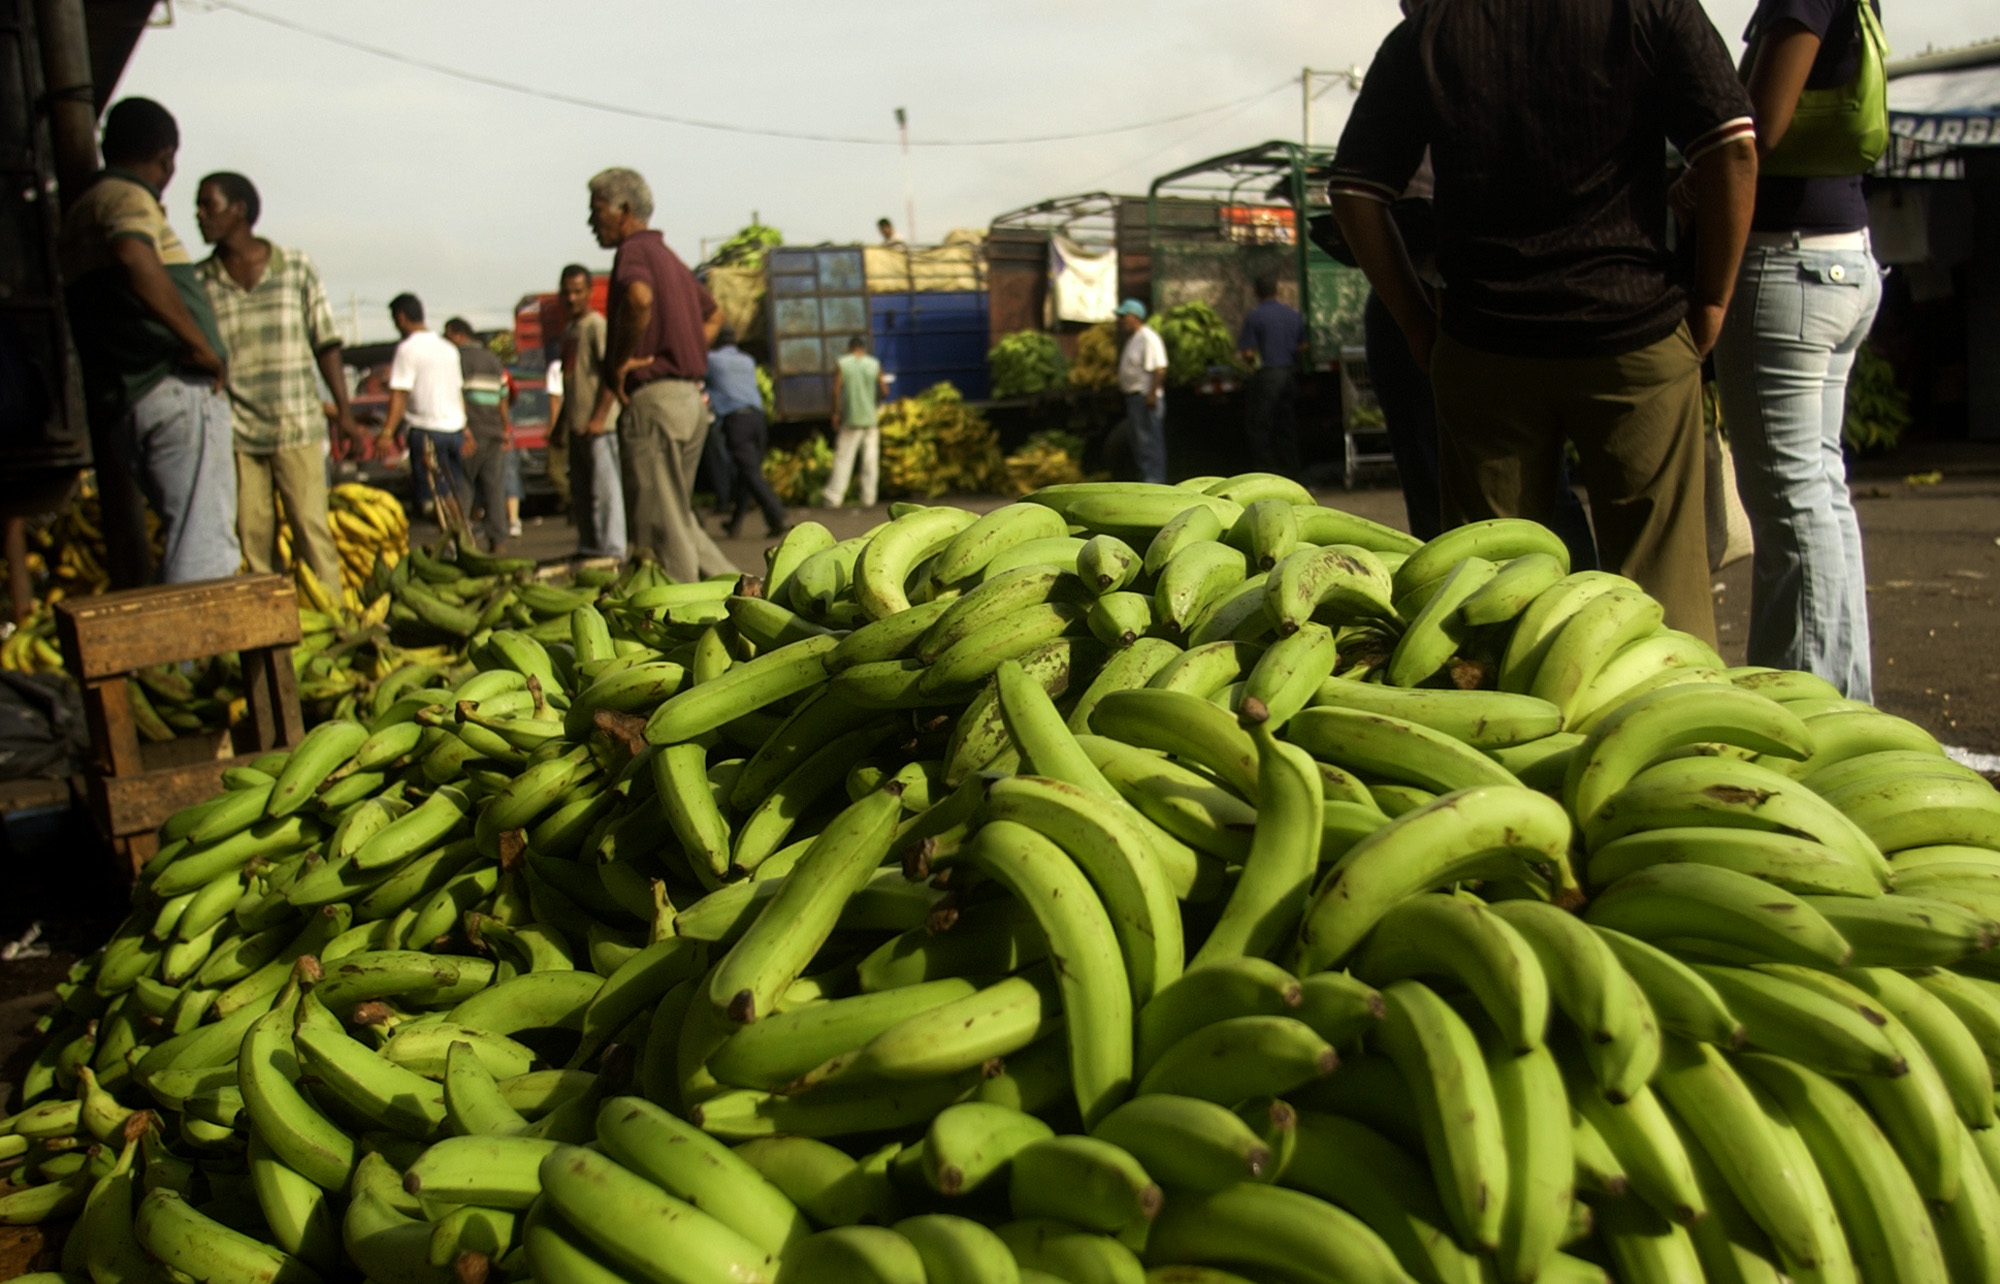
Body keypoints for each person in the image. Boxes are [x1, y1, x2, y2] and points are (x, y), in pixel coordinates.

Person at [1328, 0, 1759, 641]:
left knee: (1489, 595)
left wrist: (1419, 323)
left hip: (1485, 346)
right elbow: (1735, 150)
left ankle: (1501, 728)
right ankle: (1668, 725)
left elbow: (1355, 192)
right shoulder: (1651, 9)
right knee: (1661, 592)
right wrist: (1713, 298)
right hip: (1633, 332)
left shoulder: (1430, 31)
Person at [1713, 0, 1887, 700]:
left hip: (1788, 266)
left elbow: (1758, 130)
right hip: (1842, 259)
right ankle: (1845, 700)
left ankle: (1803, 711)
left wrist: (1696, 184)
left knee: (1789, 502)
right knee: (1818, 493)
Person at [58, 97, 239, 585]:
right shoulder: (125, 197)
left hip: (130, 395)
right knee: (204, 546)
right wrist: (198, 344)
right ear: (166, 155)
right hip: (169, 387)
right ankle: (203, 658)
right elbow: (133, 254)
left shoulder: (78, 211)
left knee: (186, 534)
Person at [192, 170, 352, 594]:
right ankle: (271, 637)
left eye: (209, 205)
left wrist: (346, 413)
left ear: (240, 210)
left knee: (311, 531)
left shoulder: (294, 266)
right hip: (239, 435)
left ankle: (334, 622)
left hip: (296, 424)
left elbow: (327, 343)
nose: (199, 215)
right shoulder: (201, 281)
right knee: (253, 539)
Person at [585, 167, 736, 580]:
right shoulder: (669, 258)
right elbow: (715, 315)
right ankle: (742, 591)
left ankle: (677, 617)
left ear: (624, 210)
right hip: (688, 400)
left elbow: (638, 298)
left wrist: (620, 361)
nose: (590, 222)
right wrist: (682, 349)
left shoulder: (634, 252)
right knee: (676, 517)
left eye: (596, 210)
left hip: (655, 405)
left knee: (658, 531)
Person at [551, 263, 624, 560]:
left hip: (600, 425)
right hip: (577, 424)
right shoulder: (570, 330)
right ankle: (590, 546)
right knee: (582, 493)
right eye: (567, 293)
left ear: (589, 293)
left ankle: (612, 550)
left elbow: (612, 373)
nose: (572, 299)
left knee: (606, 492)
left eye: (578, 292)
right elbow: (571, 381)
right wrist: (560, 425)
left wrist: (598, 417)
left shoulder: (596, 326)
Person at [375, 294, 468, 523]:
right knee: (451, 488)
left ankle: (451, 538)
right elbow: (457, 391)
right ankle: (461, 536)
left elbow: (399, 393)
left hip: (427, 430)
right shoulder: (448, 349)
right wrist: (466, 429)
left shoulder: (407, 349)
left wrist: (387, 432)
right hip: (454, 429)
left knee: (433, 495)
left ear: (401, 318)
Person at [706, 326, 789, 538]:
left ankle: (777, 514)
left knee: (750, 472)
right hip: (758, 419)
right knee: (747, 471)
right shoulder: (747, 360)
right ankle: (734, 524)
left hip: (737, 421)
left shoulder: (712, 360)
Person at [443, 318, 511, 553]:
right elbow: (503, 397)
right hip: (494, 433)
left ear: (456, 334)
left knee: (462, 490)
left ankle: (459, 545)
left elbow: (454, 395)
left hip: (470, 434)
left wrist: (463, 429)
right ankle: (498, 543)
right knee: (495, 491)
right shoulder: (492, 360)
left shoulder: (457, 359)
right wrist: (505, 429)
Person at [1237, 275, 1305, 476]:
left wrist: (1251, 363)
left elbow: (1248, 352)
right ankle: (1293, 474)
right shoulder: (1293, 315)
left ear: (1256, 293)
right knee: (1286, 426)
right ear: (1277, 290)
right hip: (1288, 374)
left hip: (1268, 376)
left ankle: (1267, 473)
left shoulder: (1255, 316)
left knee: (1260, 426)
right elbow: (1303, 345)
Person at [823, 335, 888, 509]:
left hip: (851, 419)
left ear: (850, 348)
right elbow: (884, 389)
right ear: (863, 348)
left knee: (844, 459)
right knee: (870, 460)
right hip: (870, 419)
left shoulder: (843, 363)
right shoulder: (873, 364)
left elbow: (836, 391)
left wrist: (835, 413)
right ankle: (869, 498)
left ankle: (834, 497)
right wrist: (873, 400)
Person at [1116, 299, 1169, 485]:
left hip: (1145, 398)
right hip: (1135, 399)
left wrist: (1152, 394)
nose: (1121, 320)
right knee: (1140, 444)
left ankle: (1155, 482)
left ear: (1135, 317)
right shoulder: (1134, 339)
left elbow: (1160, 368)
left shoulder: (1148, 337)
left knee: (1149, 443)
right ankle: (1148, 479)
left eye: (1124, 316)